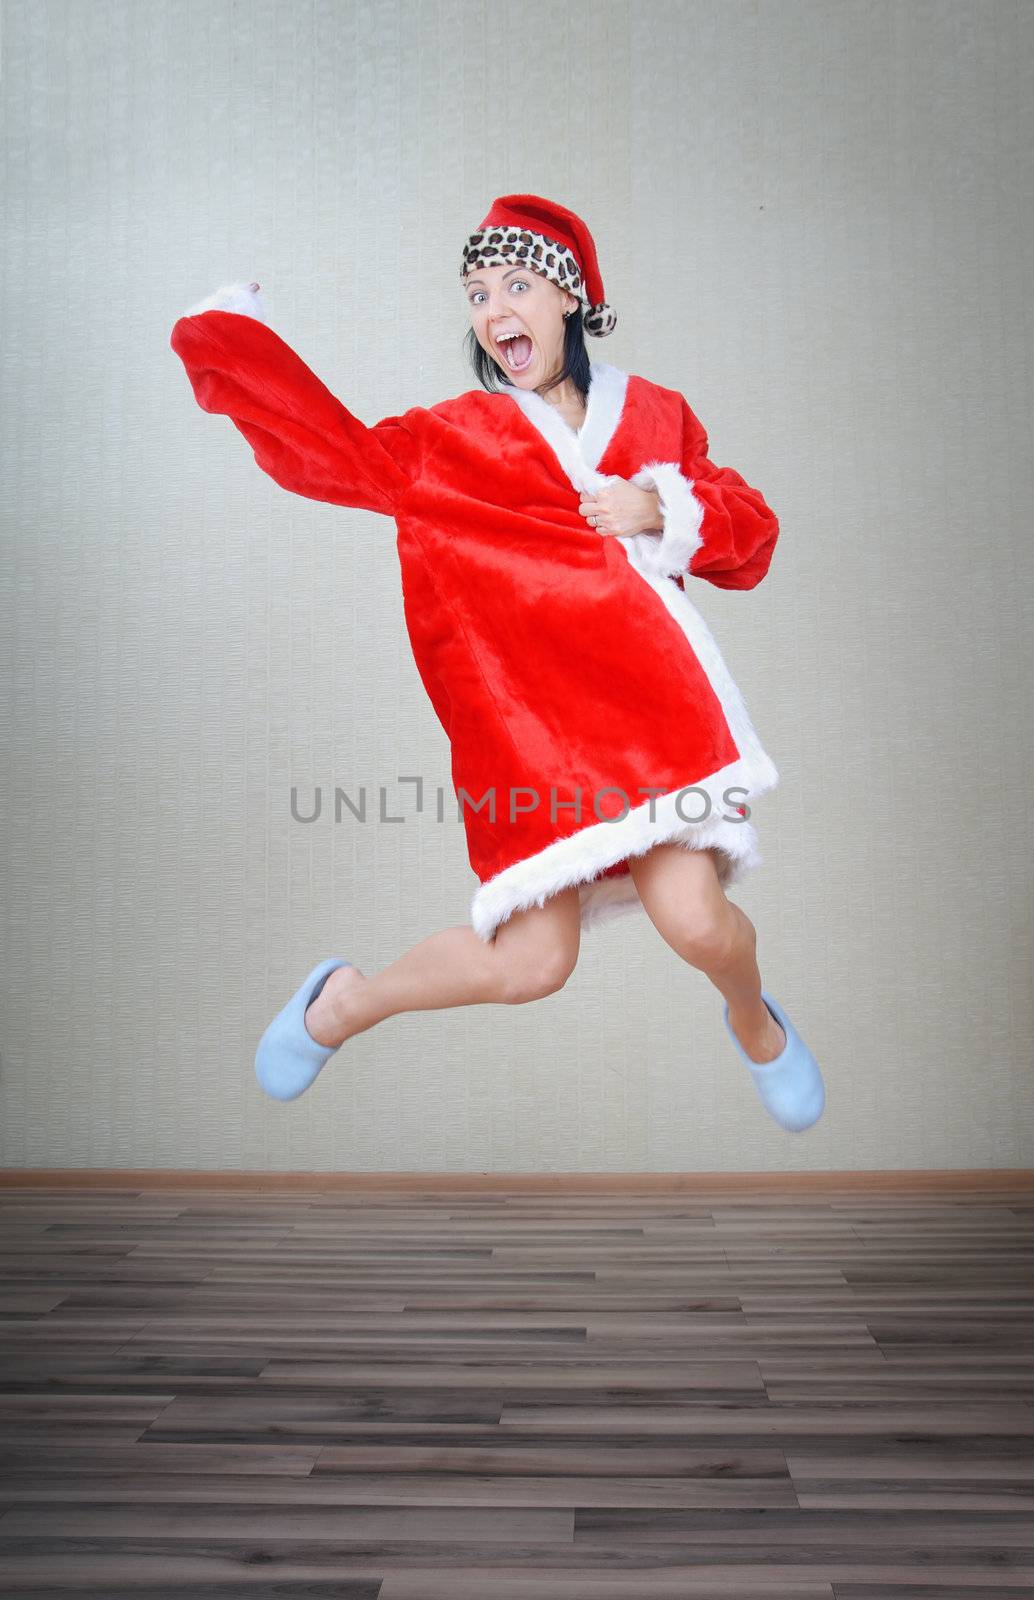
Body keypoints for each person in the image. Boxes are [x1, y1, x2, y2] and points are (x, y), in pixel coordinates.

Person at [169, 192, 825, 1132]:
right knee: (531, 969)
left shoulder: (655, 418)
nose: (494, 309)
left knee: (699, 924)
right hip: (536, 744)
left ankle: (756, 1025)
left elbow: (748, 537)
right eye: (478, 293)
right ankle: (343, 1003)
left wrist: (660, 505)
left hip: (655, 725)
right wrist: (230, 339)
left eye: (516, 284)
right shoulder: (452, 440)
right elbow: (334, 454)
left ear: (568, 298)